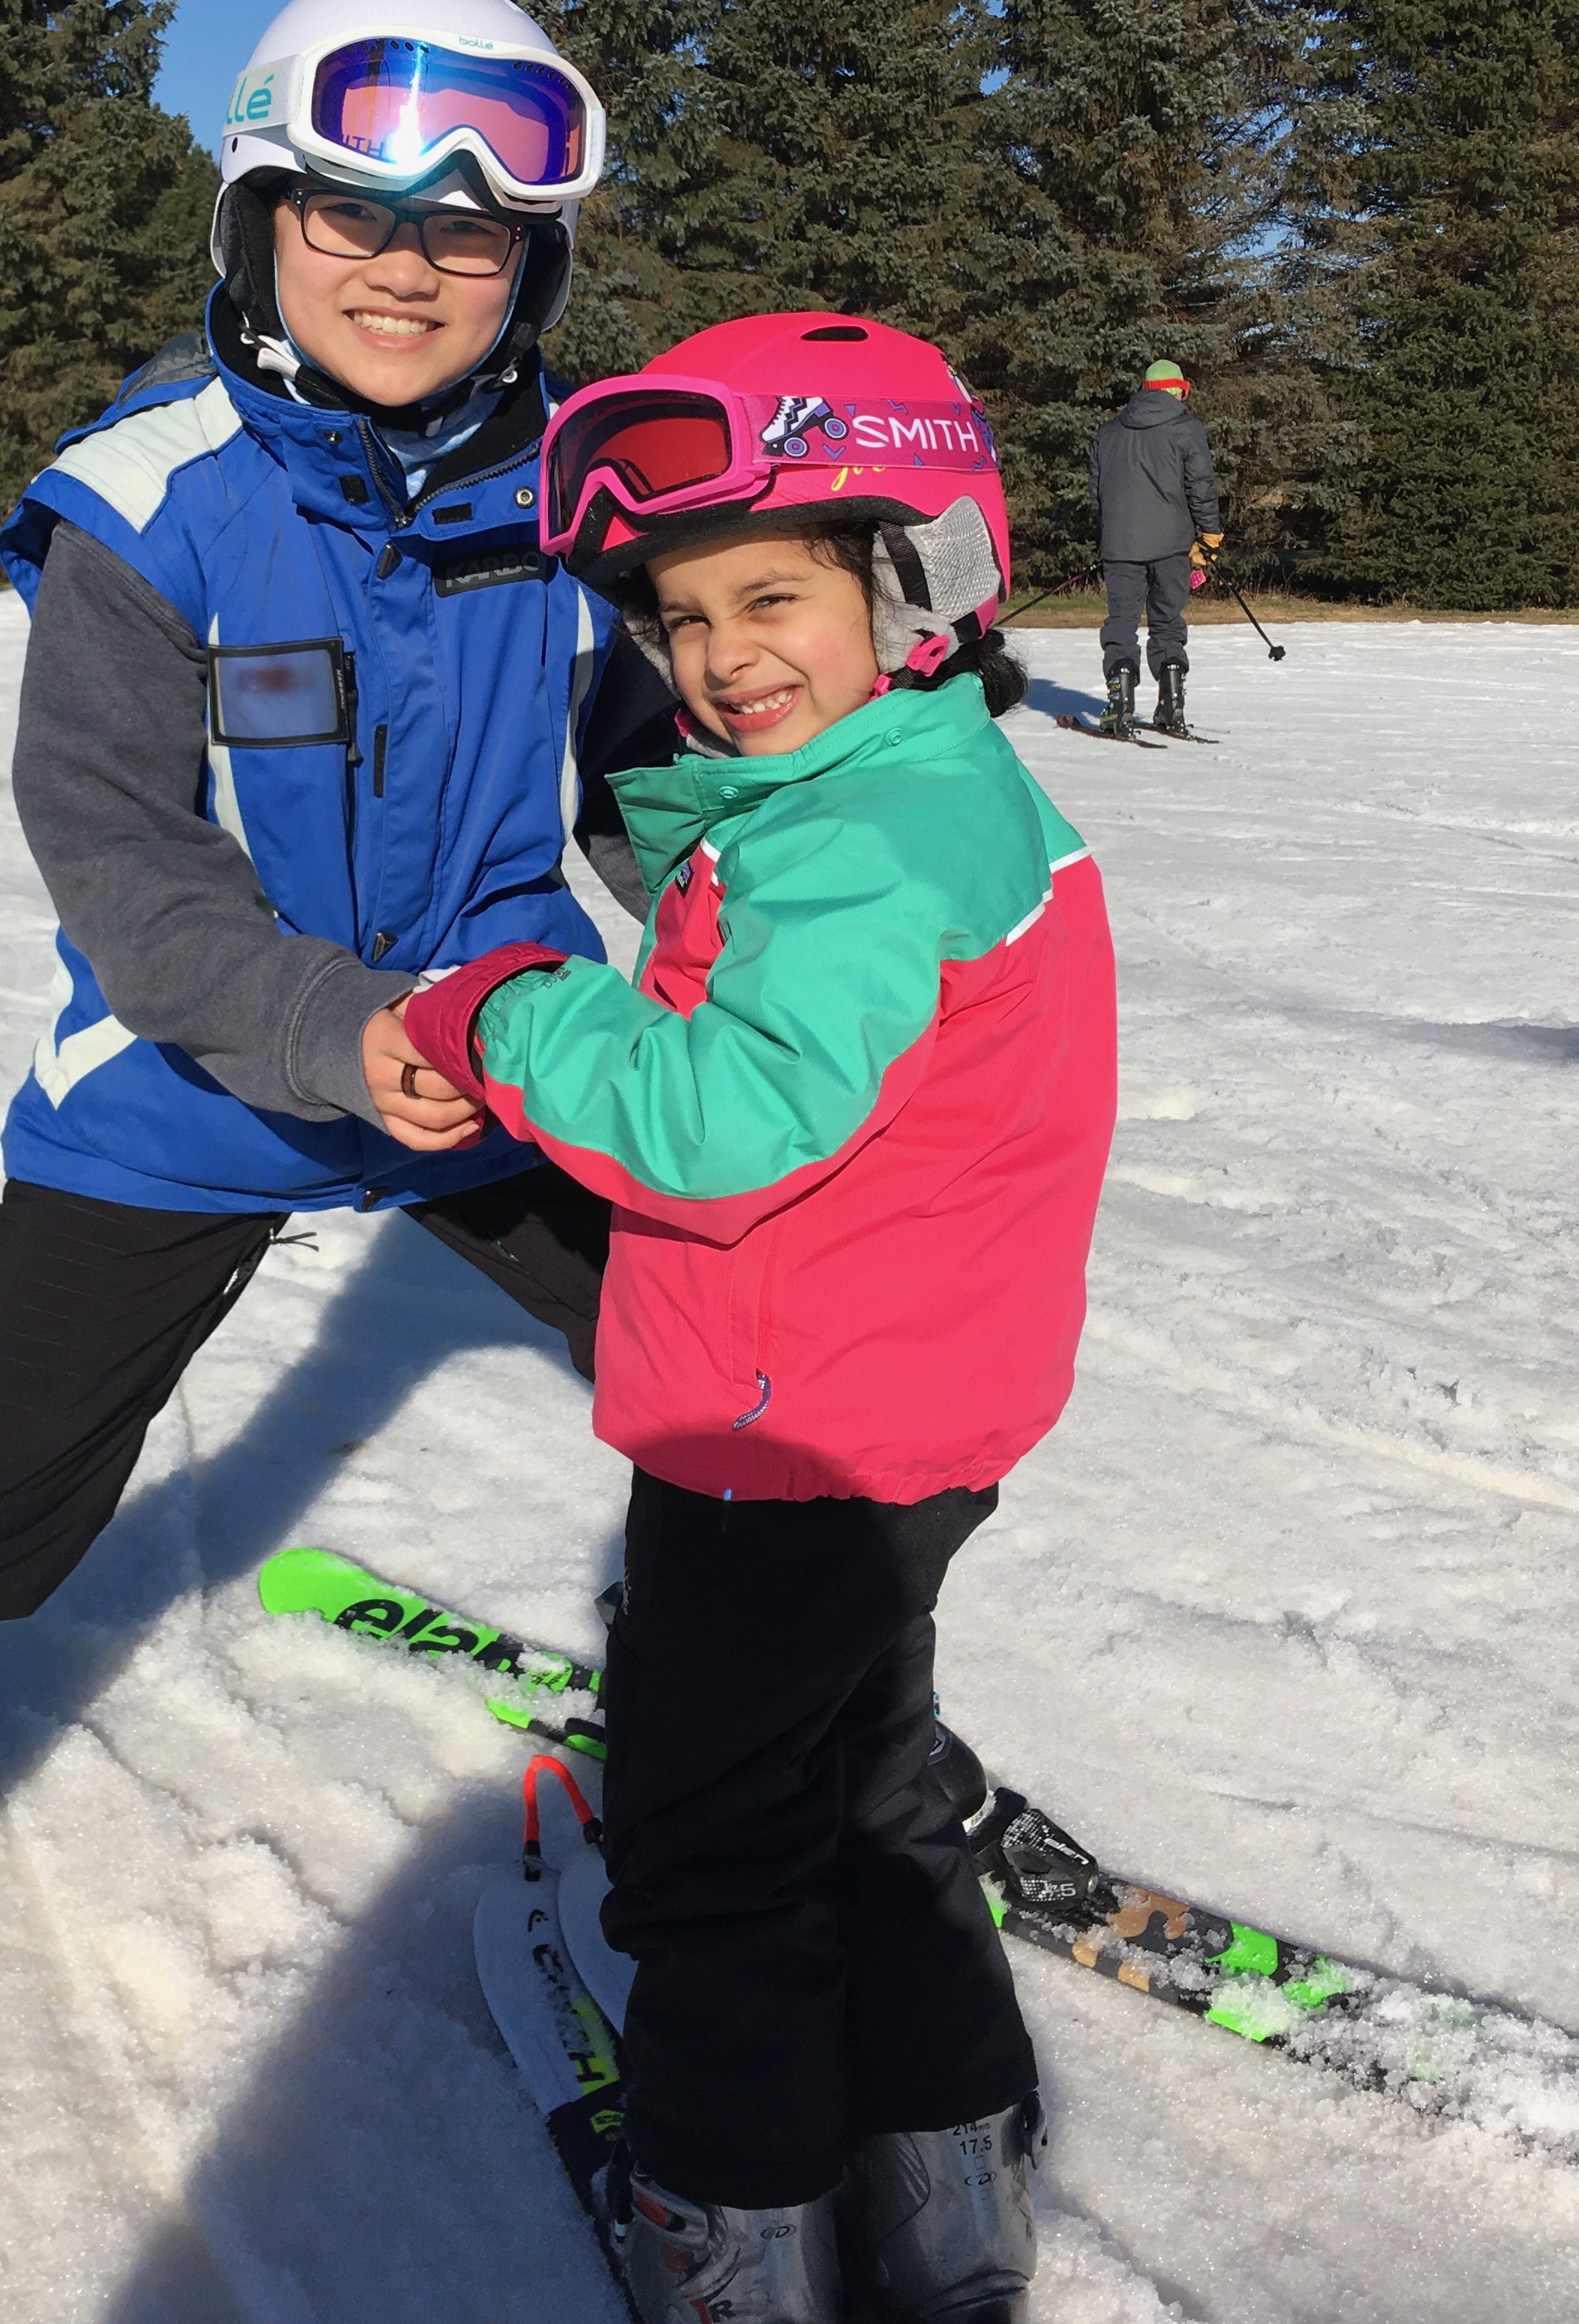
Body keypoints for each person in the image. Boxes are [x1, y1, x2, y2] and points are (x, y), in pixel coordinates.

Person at [0, 0, 673, 2089]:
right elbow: (121, 861)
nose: (409, 270)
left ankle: (788, 1719)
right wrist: (331, 1022)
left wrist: (767, 937)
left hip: (502, 1041)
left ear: (535, 260)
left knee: (745, 1361)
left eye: (469, 233)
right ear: (255, 224)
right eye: (352, 218)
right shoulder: (151, 495)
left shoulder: (582, 489)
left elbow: (651, 772)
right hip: (201, 1077)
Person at [398, 314, 1119, 2324]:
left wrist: (501, 1010)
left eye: (773, 597)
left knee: (716, 1852)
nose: (719, 658)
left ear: (919, 579)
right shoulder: (943, 787)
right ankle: (944, 2182)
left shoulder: (857, 843)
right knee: (874, 1791)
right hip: (914, 1418)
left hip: (780, 1439)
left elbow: (716, 1128)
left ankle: (734, 2221)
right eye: (678, 615)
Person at [1088, 357, 1222, 735]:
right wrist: (1209, 537)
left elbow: (1097, 495)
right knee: (1167, 623)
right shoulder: (1186, 429)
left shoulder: (1109, 432)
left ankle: (1120, 702)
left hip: (1120, 546)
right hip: (1172, 547)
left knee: (1122, 623)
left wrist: (1112, 531)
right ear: (1177, 389)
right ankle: (1171, 704)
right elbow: (1201, 487)